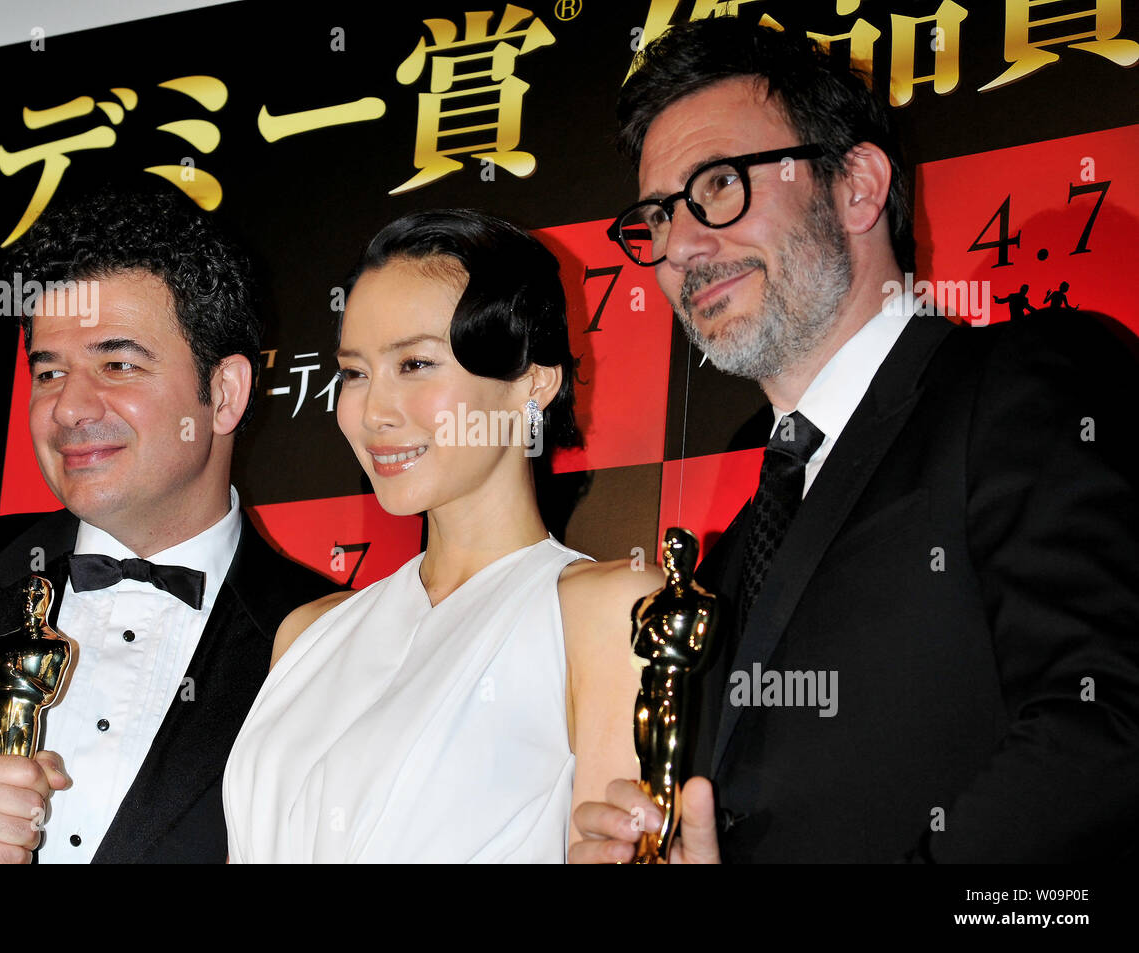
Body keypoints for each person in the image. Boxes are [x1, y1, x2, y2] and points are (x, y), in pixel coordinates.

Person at [572, 18, 1139, 862]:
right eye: (657, 215)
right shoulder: (729, 558)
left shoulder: (1029, 378)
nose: (682, 244)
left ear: (858, 187)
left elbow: (1109, 726)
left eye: (720, 184)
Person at [0, 188, 337, 863]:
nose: (69, 407)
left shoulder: (335, 640)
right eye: (49, 372)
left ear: (224, 394)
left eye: (116, 364)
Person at [222, 209, 657, 862]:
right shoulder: (306, 635)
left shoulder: (608, 612)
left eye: (416, 364)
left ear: (531, 383)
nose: (373, 412)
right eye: (356, 372)